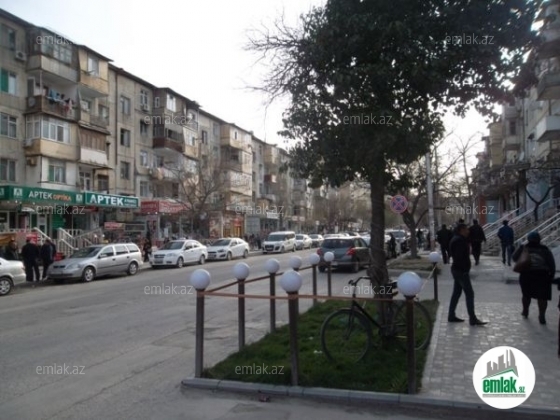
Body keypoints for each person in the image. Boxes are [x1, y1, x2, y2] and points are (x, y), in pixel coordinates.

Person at [447, 223, 488, 326]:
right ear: (461, 230)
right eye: (466, 229)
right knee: (469, 294)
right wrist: (465, 269)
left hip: (457, 270)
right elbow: (459, 257)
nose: (468, 231)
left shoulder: (457, 239)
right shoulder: (459, 241)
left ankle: (451, 315)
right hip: (461, 271)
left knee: (456, 293)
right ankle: (472, 318)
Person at [512, 231, 555, 325]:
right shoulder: (545, 249)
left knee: (526, 295)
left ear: (528, 239)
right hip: (542, 275)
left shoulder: (523, 248)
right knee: (542, 297)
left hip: (526, 274)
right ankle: (542, 315)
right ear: (539, 239)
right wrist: (551, 276)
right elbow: (551, 264)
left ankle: (525, 311)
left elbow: (514, 258)